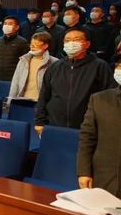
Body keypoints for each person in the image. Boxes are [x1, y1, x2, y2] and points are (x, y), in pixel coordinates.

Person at [35, 27, 116, 134]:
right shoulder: (55, 67)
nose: (71, 43)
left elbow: (110, 97)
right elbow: (44, 95)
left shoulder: (100, 66)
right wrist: (39, 121)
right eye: (67, 40)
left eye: (77, 39)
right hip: (55, 125)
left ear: (87, 44)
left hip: (88, 128)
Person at [77, 54, 121, 197]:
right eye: (119, 65)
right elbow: (87, 138)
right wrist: (84, 172)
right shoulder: (99, 99)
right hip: (104, 180)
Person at [8, 32, 58, 102]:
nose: (32, 46)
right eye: (31, 44)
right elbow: (15, 83)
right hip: (23, 100)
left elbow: (56, 88)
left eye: (36, 44)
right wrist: (10, 101)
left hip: (42, 103)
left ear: (45, 46)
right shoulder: (23, 60)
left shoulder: (54, 62)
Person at [0, 16, 29, 81]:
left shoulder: (22, 42)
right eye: (5, 23)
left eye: (10, 24)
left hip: (15, 77)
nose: (6, 26)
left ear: (17, 27)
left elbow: (25, 61)